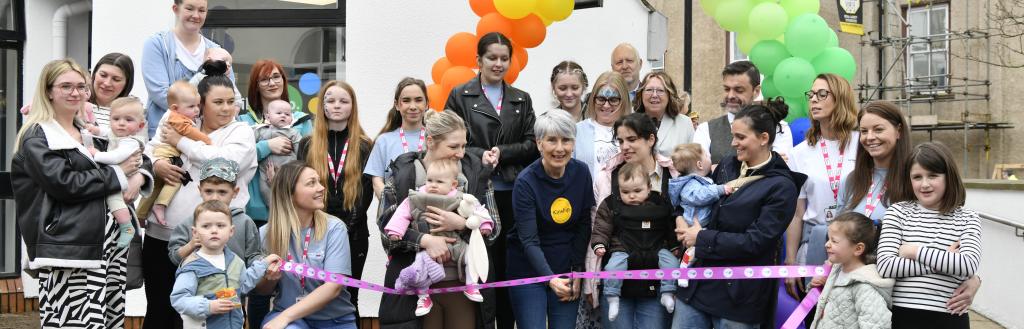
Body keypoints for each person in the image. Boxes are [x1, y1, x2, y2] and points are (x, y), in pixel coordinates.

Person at [13, 58, 147, 328]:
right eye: (66, 86)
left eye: (80, 86)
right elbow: (65, 184)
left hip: (107, 250)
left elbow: (136, 152)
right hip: (70, 249)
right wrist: (118, 174)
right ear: (49, 90)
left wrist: (141, 174)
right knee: (73, 323)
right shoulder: (38, 136)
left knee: (108, 322)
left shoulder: (89, 133)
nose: (75, 92)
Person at [834, 101, 982, 316]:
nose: (869, 137)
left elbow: (953, 238)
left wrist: (975, 278)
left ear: (899, 131)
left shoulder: (918, 178)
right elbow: (837, 234)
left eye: (878, 129)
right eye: (864, 131)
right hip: (851, 290)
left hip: (896, 298)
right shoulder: (853, 180)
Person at [674, 98, 806, 328]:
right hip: (699, 286)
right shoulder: (727, 165)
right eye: (734, 136)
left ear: (764, 138)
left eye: (741, 137)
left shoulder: (782, 187)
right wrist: (681, 219)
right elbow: (695, 194)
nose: (734, 143)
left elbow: (755, 242)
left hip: (741, 297)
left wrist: (701, 238)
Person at [145, 64, 257, 329]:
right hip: (162, 235)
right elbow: (151, 149)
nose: (226, 108)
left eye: (231, 102)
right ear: (200, 103)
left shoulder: (240, 131)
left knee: (210, 314)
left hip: (215, 240)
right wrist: (155, 164)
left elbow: (225, 161)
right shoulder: (181, 122)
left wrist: (182, 143)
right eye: (217, 102)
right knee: (160, 310)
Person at [445, 31, 538, 329]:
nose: (498, 64)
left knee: (510, 264)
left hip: (512, 191)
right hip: (475, 192)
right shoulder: (460, 94)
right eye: (492, 58)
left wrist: (504, 152)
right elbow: (448, 140)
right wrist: (479, 154)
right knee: (481, 264)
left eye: (504, 58)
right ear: (479, 60)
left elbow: (532, 143)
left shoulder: (522, 99)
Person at [376, 109, 499, 329]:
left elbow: (494, 229)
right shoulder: (404, 174)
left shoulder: (476, 174)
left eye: (463, 145)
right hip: (415, 289)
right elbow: (387, 231)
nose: (461, 153)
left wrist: (462, 225)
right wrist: (425, 240)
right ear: (430, 141)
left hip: (461, 286)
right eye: (453, 146)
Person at [584, 113, 680, 329]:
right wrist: (591, 281)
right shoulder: (607, 176)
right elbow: (597, 227)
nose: (625, 146)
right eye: (620, 141)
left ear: (651, 140)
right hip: (617, 281)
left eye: (632, 139)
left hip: (658, 281)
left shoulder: (673, 175)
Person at [877, 142, 981, 329]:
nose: (924, 184)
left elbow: (968, 265)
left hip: (950, 316)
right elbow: (886, 266)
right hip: (902, 315)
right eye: (917, 177)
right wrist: (944, 261)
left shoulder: (968, 218)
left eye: (933, 175)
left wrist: (915, 251)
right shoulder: (898, 212)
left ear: (949, 176)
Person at [508, 110, 594, 329]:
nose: (559, 148)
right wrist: (550, 278)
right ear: (539, 144)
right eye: (552, 140)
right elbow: (529, 240)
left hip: (566, 265)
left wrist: (577, 270)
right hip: (528, 269)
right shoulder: (525, 182)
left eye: (566, 140)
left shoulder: (581, 173)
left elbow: (584, 224)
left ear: (573, 143)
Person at [297, 80, 373, 324]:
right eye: (330, 100)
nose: (337, 105)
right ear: (322, 106)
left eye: (344, 101)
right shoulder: (307, 144)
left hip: (354, 232)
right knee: (314, 295)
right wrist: (323, 226)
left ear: (353, 106)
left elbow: (366, 193)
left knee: (349, 298)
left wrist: (346, 228)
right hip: (317, 230)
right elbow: (302, 189)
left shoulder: (364, 146)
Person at [383, 159, 493, 318]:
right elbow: (402, 212)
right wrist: (395, 230)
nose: (433, 185)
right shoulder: (418, 196)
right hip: (429, 246)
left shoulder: (461, 197)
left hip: (456, 244)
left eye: (439, 181)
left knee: (471, 256)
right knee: (420, 265)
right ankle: (423, 297)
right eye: (430, 180)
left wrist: (484, 226)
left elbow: (479, 211)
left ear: (453, 184)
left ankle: (471, 284)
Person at [256, 161, 358, 329]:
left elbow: (333, 286)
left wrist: (285, 317)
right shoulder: (266, 233)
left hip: (334, 321)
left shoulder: (334, 228)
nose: (321, 188)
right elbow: (263, 291)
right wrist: (269, 279)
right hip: (291, 321)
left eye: (319, 181)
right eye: (311, 183)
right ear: (289, 193)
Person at [785, 73, 860, 298]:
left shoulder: (862, 145)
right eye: (811, 94)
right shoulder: (799, 153)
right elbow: (796, 214)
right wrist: (790, 262)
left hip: (856, 246)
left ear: (840, 99)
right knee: (815, 313)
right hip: (815, 242)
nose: (814, 100)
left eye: (822, 94)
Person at [170, 200, 282, 329]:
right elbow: (179, 299)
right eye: (206, 226)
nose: (214, 230)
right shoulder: (192, 266)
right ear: (195, 233)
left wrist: (263, 264)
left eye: (220, 225)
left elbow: (243, 285)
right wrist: (208, 306)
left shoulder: (235, 261)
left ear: (231, 231)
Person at [590, 162, 678, 322]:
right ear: (618, 189)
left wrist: (674, 246)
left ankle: (667, 293)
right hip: (623, 249)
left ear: (649, 187)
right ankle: (612, 298)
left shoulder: (660, 203)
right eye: (625, 191)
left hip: (657, 249)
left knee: (672, 263)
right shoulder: (612, 204)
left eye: (637, 191)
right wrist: (599, 244)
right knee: (612, 268)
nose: (631, 196)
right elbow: (601, 226)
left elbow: (670, 227)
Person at [666, 143, 754, 288]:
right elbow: (700, 195)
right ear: (700, 164)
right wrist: (720, 189)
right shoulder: (690, 184)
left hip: (702, 221)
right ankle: (683, 270)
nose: (710, 157)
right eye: (707, 155)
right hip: (696, 222)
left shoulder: (699, 179)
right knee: (695, 249)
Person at [142, 0, 222, 138]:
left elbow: (229, 93)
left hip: (206, 138)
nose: (196, 15)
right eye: (189, 9)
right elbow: (160, 94)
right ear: (175, 9)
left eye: (201, 10)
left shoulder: (216, 51)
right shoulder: (157, 44)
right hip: (165, 138)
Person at [167, 157, 262, 267]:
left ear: (235, 192)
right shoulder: (188, 223)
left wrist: (264, 262)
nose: (215, 197)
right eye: (209, 191)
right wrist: (191, 245)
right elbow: (174, 257)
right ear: (200, 190)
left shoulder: (245, 222)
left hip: (236, 282)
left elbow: (253, 256)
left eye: (222, 192)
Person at [693, 61, 793, 165]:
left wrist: (717, 168)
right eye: (727, 89)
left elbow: (779, 169)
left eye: (739, 90)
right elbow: (697, 171)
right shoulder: (705, 129)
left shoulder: (779, 128)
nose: (731, 95)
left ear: (756, 91)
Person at [141, 80, 213, 224]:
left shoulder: (177, 114)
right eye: (191, 106)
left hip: (162, 152)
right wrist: (207, 140)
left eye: (198, 105)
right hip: (166, 152)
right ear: (175, 107)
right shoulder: (176, 117)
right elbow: (188, 131)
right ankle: (160, 205)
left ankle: (141, 214)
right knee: (176, 179)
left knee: (157, 185)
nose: (197, 110)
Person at [809, 212, 894, 329]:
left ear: (858, 249)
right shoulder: (836, 272)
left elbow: (876, 325)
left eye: (834, 241)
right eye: (828, 239)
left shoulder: (865, 287)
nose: (827, 244)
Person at [89, 97, 150, 248]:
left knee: (113, 198)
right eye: (116, 119)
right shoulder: (118, 134)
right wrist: (95, 130)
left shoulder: (130, 141)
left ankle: (127, 226)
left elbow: (116, 157)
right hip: (119, 176)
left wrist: (96, 154)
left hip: (126, 180)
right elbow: (107, 132)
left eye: (128, 120)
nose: (121, 123)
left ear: (140, 125)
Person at [366, 77, 429, 199]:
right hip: (395, 214)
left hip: (430, 212)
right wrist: (392, 206)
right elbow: (377, 182)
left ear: (426, 104)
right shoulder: (384, 141)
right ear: (397, 105)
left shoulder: (437, 138)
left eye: (418, 100)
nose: (413, 106)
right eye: (406, 100)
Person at [573, 71, 631, 180]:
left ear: (623, 101)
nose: (606, 105)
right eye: (601, 99)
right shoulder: (577, 131)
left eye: (613, 100)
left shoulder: (634, 131)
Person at [633, 71, 694, 157]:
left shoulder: (684, 123)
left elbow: (694, 161)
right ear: (641, 94)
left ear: (669, 95)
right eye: (649, 90)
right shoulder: (630, 122)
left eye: (660, 90)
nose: (654, 95)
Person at [255, 100, 303, 206]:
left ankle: (286, 209)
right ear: (268, 117)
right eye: (279, 113)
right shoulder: (260, 130)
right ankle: (274, 210)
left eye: (287, 114)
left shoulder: (292, 132)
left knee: (288, 193)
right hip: (265, 173)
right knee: (265, 191)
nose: (283, 116)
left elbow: (301, 151)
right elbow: (249, 149)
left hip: (286, 172)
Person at [88, 52, 135, 130]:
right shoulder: (77, 104)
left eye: (116, 79)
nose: (107, 83)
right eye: (103, 75)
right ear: (94, 74)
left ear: (127, 84)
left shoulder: (135, 111)